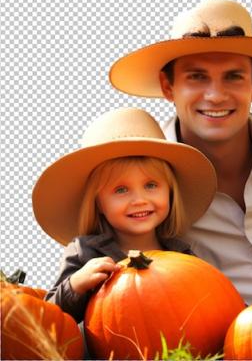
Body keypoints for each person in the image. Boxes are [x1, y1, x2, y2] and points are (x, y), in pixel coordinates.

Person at [108, 0, 252, 305]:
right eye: (196, 77)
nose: (215, 95)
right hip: (209, 342)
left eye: (233, 76)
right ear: (168, 87)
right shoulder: (141, 179)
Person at [33, 107, 216, 322]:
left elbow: (211, 302)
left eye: (151, 185)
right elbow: (48, 318)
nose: (139, 200)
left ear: (170, 192)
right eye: (121, 190)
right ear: (98, 203)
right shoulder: (85, 252)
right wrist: (76, 285)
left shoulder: (182, 254)